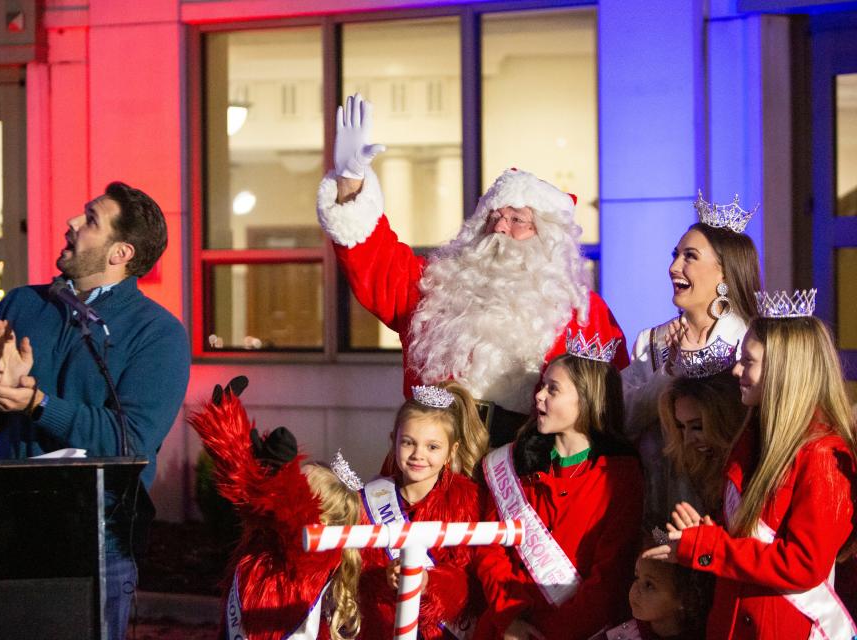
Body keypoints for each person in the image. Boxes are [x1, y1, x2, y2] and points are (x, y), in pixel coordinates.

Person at [317, 94, 628, 447]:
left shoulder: (585, 313)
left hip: (526, 479)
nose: (499, 228)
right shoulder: (439, 286)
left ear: (549, 239)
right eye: (493, 217)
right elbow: (376, 261)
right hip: (435, 470)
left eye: (516, 221)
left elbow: (610, 409)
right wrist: (349, 181)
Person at [0, 182, 191, 639]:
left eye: (90, 220)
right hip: (7, 529)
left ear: (120, 253)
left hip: (94, 540)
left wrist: (38, 404)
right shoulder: (22, 303)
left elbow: (131, 441)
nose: (72, 224)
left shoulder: (158, 334)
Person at [643, 289, 857, 639]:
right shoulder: (753, 442)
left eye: (749, 360)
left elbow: (803, 566)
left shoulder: (822, 455)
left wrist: (709, 546)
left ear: (785, 370)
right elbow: (752, 546)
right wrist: (711, 535)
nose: (737, 370)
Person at [473, 331, 643, 640]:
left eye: (553, 389)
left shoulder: (619, 473)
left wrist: (553, 633)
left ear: (588, 399)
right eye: (542, 386)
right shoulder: (513, 463)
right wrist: (509, 616)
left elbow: (610, 575)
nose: (539, 396)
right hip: (507, 630)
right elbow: (489, 548)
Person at [622, 192, 761, 523]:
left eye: (690, 257)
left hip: (728, 509)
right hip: (657, 507)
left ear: (725, 272)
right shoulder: (651, 342)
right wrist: (670, 371)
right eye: (675, 255)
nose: (674, 267)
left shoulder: (749, 342)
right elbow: (623, 419)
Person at [190, 378, 363, 640]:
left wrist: (279, 479)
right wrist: (227, 430)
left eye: (299, 486)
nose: (287, 485)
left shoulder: (312, 558)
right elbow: (248, 491)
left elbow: (293, 516)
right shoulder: (267, 537)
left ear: (324, 520)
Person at [358, 380, 487, 638]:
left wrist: (430, 582)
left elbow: (471, 579)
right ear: (393, 441)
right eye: (408, 443)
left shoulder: (467, 502)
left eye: (432, 447)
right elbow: (355, 572)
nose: (418, 454)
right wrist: (384, 577)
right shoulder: (368, 500)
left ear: (452, 451)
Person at [657, 363, 745, 519]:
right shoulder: (683, 466)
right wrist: (673, 540)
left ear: (726, 420)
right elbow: (655, 528)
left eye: (697, 427)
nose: (687, 440)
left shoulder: (752, 467)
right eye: (680, 427)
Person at [591, 554, 712, 640]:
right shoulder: (625, 619)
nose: (635, 588)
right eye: (637, 577)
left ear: (685, 599)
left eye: (649, 585)